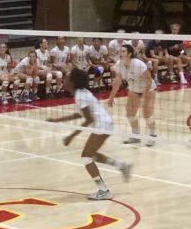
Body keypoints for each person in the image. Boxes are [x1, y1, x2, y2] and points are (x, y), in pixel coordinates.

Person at [48, 69, 132, 200]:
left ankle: (103, 190)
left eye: (67, 78)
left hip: (102, 125)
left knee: (86, 158)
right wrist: (57, 120)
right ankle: (122, 166)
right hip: (104, 124)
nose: (64, 80)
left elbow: (89, 119)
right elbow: (79, 114)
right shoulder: (81, 93)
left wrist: (71, 136)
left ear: (73, 82)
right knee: (91, 155)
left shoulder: (80, 96)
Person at [109, 45, 158, 147]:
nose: (120, 53)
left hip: (148, 89)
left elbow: (148, 81)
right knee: (130, 113)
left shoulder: (138, 64)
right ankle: (136, 135)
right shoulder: (119, 64)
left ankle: (152, 136)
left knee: (146, 114)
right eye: (119, 51)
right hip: (134, 89)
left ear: (129, 54)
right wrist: (111, 96)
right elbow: (117, 81)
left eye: (123, 51)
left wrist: (144, 96)